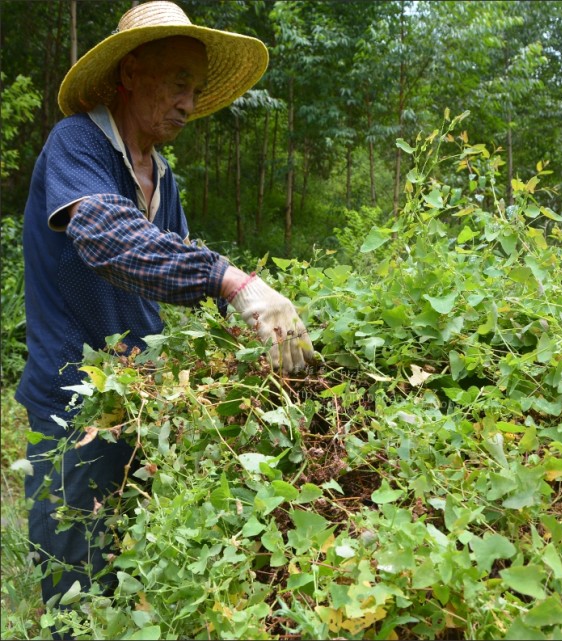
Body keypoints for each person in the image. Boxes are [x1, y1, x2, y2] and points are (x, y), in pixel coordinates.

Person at [15, 0, 314, 611]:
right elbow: (108, 238)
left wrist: (233, 348)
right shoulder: (76, 144)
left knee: (133, 571)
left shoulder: (162, 175)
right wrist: (235, 282)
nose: (189, 104)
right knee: (76, 585)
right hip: (74, 402)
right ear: (130, 74)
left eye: (197, 90)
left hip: (139, 397)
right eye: (179, 83)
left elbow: (168, 269)